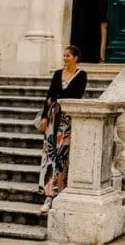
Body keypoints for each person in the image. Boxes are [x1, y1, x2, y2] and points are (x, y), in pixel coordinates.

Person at [38, 45, 87, 212]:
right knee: (49, 157)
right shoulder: (57, 74)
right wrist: (44, 115)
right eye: (64, 55)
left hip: (67, 122)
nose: (65, 58)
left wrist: (57, 98)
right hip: (53, 121)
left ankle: (60, 193)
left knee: (61, 158)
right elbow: (49, 96)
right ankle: (48, 196)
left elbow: (76, 95)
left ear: (75, 58)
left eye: (68, 56)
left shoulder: (81, 76)